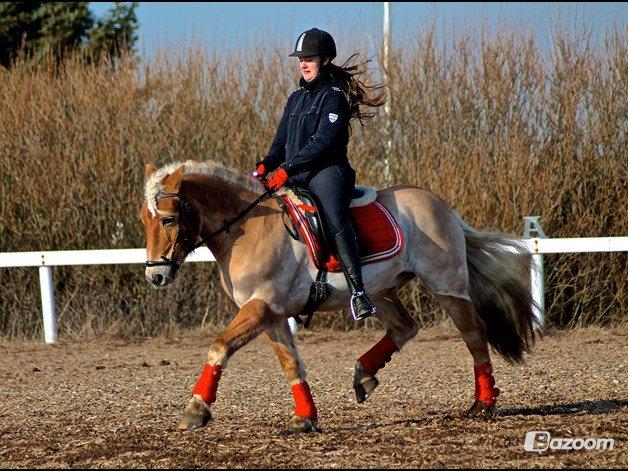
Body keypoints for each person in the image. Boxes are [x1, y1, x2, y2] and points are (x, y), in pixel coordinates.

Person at [253, 28, 387, 320]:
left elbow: (323, 143)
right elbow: (280, 142)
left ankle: (359, 292)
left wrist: (287, 168)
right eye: (300, 58)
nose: (303, 63)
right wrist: (266, 163)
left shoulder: (334, 97)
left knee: (333, 217)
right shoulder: (295, 98)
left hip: (328, 172)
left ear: (324, 60)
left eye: (309, 58)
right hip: (298, 173)